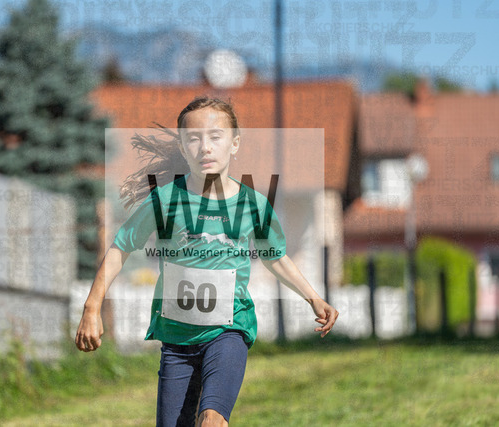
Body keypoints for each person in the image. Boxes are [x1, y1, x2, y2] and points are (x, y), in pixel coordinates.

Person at [75, 96, 339, 426]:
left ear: (234, 143)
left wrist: (314, 298)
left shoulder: (252, 204)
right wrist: (91, 307)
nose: (205, 147)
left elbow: (276, 258)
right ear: (183, 147)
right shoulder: (165, 200)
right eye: (194, 139)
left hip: (228, 330)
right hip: (177, 340)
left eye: (216, 137)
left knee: (212, 420)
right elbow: (120, 248)